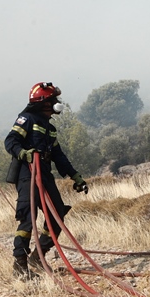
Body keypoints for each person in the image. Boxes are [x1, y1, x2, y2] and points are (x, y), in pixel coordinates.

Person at [5, 82, 89, 278]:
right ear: (44, 103)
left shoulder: (50, 128)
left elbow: (59, 156)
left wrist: (75, 176)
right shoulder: (27, 118)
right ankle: (20, 265)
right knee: (28, 218)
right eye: (53, 100)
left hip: (44, 174)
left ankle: (38, 256)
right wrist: (24, 153)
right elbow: (10, 141)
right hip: (28, 174)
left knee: (57, 214)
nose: (57, 103)